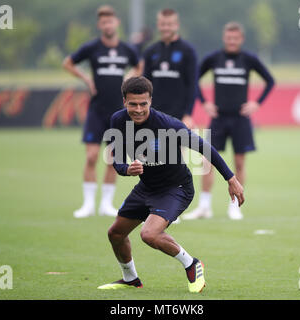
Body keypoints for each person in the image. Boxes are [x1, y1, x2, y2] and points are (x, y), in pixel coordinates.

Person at [97, 76, 244, 292]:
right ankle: (131, 279)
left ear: (151, 101)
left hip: (176, 189)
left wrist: (231, 179)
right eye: (132, 104)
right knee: (116, 234)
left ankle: (191, 264)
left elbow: (205, 148)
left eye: (143, 104)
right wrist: (127, 169)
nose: (138, 109)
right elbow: (116, 158)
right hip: (146, 187)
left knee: (149, 234)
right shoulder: (118, 121)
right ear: (124, 102)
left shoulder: (168, 125)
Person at [183, 22, 274, 221]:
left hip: (241, 119)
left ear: (241, 39)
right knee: (207, 161)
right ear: (224, 38)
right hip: (218, 118)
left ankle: (235, 206)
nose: (232, 41)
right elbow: (193, 79)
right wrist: (205, 102)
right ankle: (204, 206)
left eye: (235, 38)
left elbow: (270, 80)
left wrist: (256, 103)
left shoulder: (249, 59)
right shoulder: (214, 58)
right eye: (228, 38)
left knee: (239, 163)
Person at [62, 5, 142, 218]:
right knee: (91, 156)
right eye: (104, 22)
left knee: (112, 157)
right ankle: (88, 204)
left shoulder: (126, 49)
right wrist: (86, 78)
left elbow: (139, 65)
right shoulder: (91, 48)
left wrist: (130, 78)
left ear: (117, 23)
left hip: (118, 112)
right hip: (96, 110)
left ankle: (106, 204)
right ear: (100, 25)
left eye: (111, 21)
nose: (108, 25)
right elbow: (67, 63)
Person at [143, 8, 198, 129]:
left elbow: (193, 84)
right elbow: (145, 84)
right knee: (153, 148)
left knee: (175, 148)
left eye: (169, 24)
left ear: (176, 25)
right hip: (154, 114)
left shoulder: (188, 51)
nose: (166, 28)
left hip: (178, 116)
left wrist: (188, 114)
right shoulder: (150, 51)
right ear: (158, 25)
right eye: (163, 24)